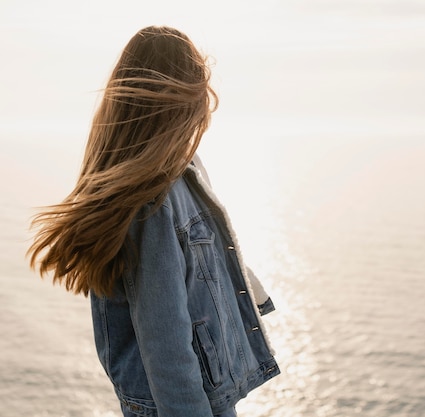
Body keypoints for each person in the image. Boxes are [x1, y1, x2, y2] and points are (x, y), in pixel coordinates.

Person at [27, 26, 280, 417]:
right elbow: (166, 346)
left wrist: (252, 299)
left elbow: (209, 252)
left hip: (204, 394)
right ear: (179, 101)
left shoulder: (186, 170)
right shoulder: (151, 203)